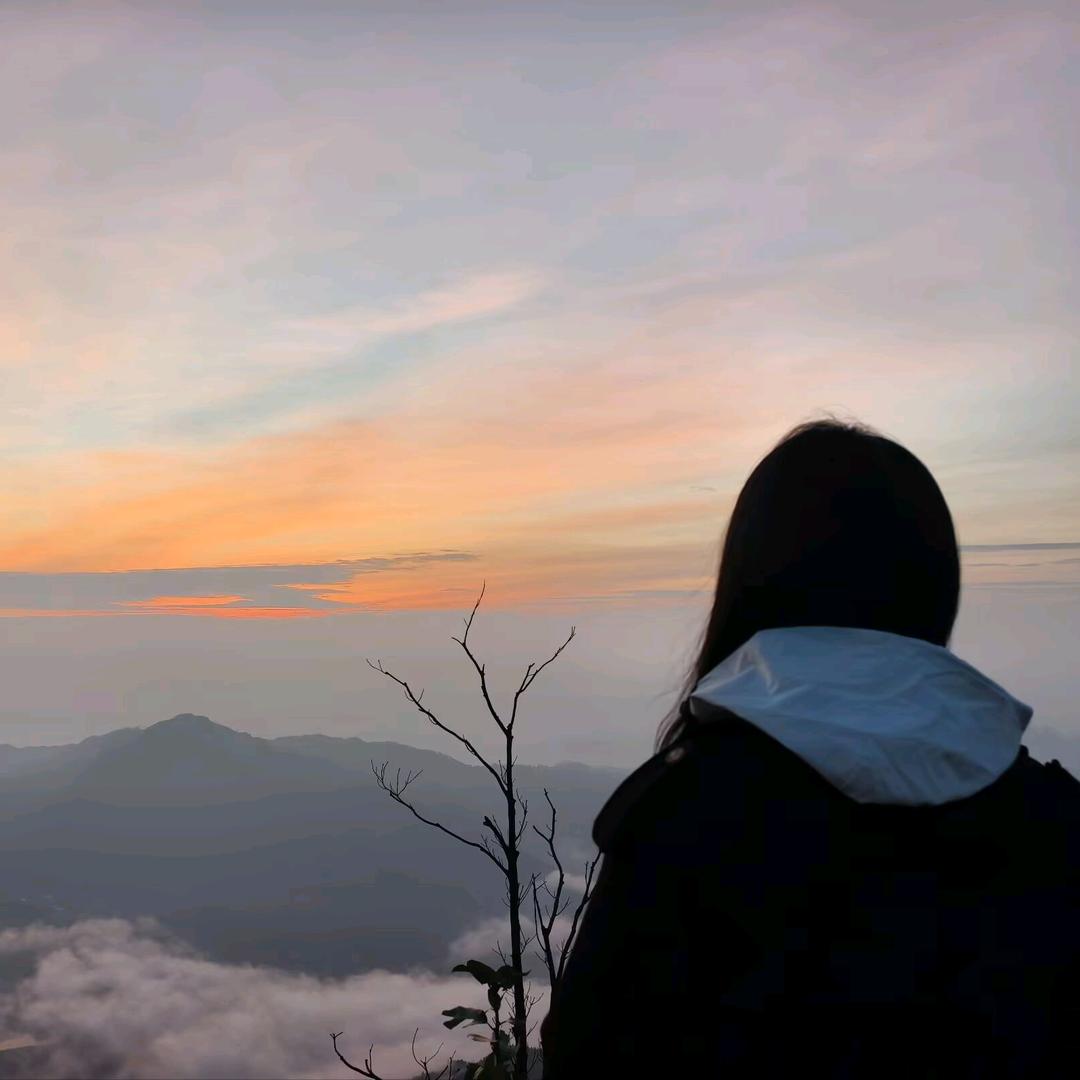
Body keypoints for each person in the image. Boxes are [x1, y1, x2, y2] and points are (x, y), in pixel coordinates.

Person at [540, 416, 1080, 1078]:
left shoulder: (685, 819)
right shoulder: (1052, 822)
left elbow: (589, 1048)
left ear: (748, 581)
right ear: (936, 585)